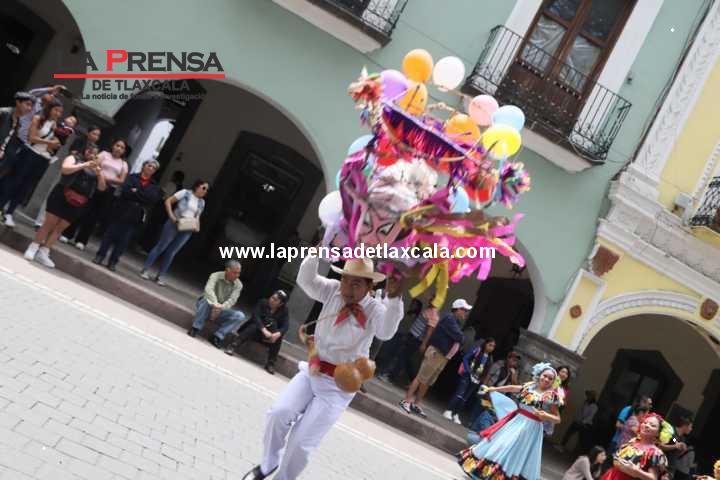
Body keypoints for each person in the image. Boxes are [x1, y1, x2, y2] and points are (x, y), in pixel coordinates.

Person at [240, 255, 404, 480]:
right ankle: (268, 464)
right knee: (279, 413)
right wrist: (319, 250)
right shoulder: (333, 290)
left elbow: (386, 331)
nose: (347, 288)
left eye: (356, 283)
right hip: (313, 370)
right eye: (345, 280)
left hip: (339, 386)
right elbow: (307, 281)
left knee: (301, 442)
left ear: (369, 287)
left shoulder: (375, 309)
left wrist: (394, 298)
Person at [458, 362, 563, 480]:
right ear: (539, 375)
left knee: (515, 452)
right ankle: (487, 472)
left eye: (550, 378)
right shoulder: (529, 386)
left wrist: (545, 415)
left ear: (553, 381)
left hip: (531, 428)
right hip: (517, 421)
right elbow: (512, 388)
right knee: (501, 444)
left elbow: (558, 419)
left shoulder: (551, 396)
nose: (547, 379)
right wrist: (494, 389)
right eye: (545, 376)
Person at [23, 145, 105, 268]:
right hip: (61, 195)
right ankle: (33, 247)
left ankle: (44, 251)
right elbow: (65, 169)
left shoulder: (95, 169)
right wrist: (84, 165)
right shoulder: (74, 158)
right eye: (91, 152)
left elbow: (102, 188)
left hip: (79, 201)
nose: (93, 156)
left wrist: (99, 174)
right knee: (49, 224)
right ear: (86, 151)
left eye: (96, 155)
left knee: (60, 228)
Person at [399, 298, 469, 418]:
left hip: (443, 356)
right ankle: (406, 400)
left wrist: (461, 338)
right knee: (421, 377)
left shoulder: (455, 321)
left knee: (428, 381)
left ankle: (416, 403)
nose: (466, 313)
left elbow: (461, 337)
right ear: (457, 309)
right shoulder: (450, 319)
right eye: (464, 310)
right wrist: (461, 338)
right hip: (437, 353)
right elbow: (460, 337)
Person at [0, 99, 63, 227]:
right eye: (56, 110)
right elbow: (32, 138)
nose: (58, 113)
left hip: (42, 158)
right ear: (49, 109)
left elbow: (54, 142)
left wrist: (54, 143)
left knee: (26, 187)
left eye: (60, 112)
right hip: (29, 153)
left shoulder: (55, 125)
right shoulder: (37, 118)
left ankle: (10, 212)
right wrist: (49, 143)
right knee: (15, 181)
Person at [93, 160, 161, 271]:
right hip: (122, 209)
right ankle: (100, 256)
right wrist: (140, 195)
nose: (151, 168)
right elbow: (126, 191)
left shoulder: (154, 185)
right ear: (143, 166)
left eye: (154, 168)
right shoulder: (132, 177)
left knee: (123, 241)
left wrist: (136, 192)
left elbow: (151, 199)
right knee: (109, 235)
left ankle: (113, 262)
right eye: (149, 166)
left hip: (135, 215)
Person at [140, 179, 208, 285]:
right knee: (161, 246)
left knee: (172, 252)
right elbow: (168, 201)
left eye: (207, 189)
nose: (205, 191)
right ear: (197, 186)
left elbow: (197, 216)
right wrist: (171, 216)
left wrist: (197, 226)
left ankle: (160, 276)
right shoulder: (185, 193)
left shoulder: (202, 202)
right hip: (175, 223)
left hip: (187, 227)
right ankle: (145, 269)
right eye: (204, 188)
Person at [38, 125, 102, 231]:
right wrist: (84, 158)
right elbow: (73, 153)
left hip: (80, 177)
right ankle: (40, 221)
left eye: (98, 135)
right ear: (88, 133)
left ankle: (53, 227)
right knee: (54, 195)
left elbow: (96, 161)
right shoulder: (80, 140)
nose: (95, 137)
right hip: (71, 168)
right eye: (94, 133)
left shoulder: (94, 147)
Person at [71, 139, 129, 250]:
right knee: (82, 208)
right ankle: (68, 234)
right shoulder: (104, 154)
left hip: (108, 191)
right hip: (93, 184)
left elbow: (121, 180)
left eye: (122, 148)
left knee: (95, 215)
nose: (119, 149)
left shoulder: (124, 164)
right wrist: (100, 176)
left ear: (124, 151)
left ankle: (82, 240)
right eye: (117, 145)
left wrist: (104, 177)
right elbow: (93, 165)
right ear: (113, 145)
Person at [224, 290, 289, 375]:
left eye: (275, 300)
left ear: (280, 304)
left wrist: (277, 334)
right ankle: (233, 346)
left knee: (279, 337)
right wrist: (264, 330)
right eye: (272, 297)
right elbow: (256, 317)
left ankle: (270, 363)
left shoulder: (284, 311)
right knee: (254, 326)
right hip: (254, 333)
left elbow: (286, 325)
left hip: (267, 338)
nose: (272, 300)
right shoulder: (262, 302)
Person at [187, 260, 247, 348]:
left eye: (239, 273)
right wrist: (215, 304)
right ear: (228, 270)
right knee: (206, 300)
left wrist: (221, 307)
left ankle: (217, 336)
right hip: (207, 305)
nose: (237, 275)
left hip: (221, 310)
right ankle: (195, 328)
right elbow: (208, 290)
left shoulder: (239, 285)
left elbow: (232, 300)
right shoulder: (215, 275)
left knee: (240, 316)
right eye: (235, 273)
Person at [379, 299, 437, 385]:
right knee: (403, 356)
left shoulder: (434, 314)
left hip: (416, 339)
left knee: (402, 357)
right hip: (411, 335)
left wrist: (424, 344)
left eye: (433, 298)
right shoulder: (428, 309)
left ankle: (391, 376)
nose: (430, 299)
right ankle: (392, 375)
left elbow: (429, 331)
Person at [443, 337, 495, 425]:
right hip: (467, 376)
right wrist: (468, 370)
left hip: (476, 380)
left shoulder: (490, 358)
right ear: (485, 344)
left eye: (493, 346)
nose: (491, 348)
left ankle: (456, 413)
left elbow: (487, 370)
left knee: (465, 398)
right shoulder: (478, 350)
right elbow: (466, 358)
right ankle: (449, 410)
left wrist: (481, 380)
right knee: (459, 393)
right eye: (490, 345)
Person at [600, 413, 668, 480]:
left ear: (658, 433)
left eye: (652, 425)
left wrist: (636, 471)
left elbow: (653, 478)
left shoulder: (656, 453)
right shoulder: (632, 442)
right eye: (645, 423)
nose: (647, 425)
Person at [469, 350, 522, 432]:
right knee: (480, 405)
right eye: (513, 359)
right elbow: (488, 375)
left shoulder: (515, 371)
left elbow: (515, 385)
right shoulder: (499, 364)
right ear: (508, 358)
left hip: (499, 395)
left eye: (516, 361)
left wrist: (513, 375)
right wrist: (485, 388)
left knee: (489, 410)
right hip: (490, 388)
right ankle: (471, 422)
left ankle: (477, 426)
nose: (515, 362)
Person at [0, 92, 34, 164]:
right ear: (18, 102)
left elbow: (6, 139)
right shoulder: (3, 113)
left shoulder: (18, 123)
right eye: (27, 104)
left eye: (31, 106)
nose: (29, 108)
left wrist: (2, 150)